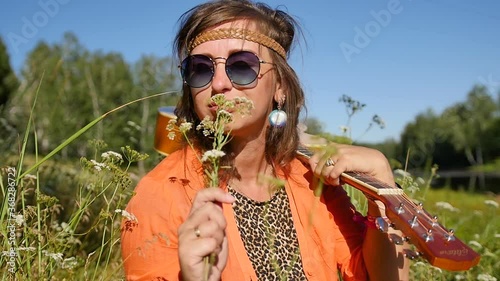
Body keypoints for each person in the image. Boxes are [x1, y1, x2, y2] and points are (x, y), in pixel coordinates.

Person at [121, 1, 410, 280]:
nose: (219, 83)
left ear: (281, 87)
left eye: (242, 65)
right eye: (200, 69)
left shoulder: (311, 182)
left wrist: (384, 192)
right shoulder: (159, 195)